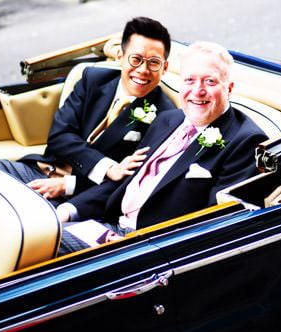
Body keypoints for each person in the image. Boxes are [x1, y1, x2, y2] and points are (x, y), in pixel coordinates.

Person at [57, 41, 269, 254]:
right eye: (189, 80)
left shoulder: (245, 141)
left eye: (210, 81)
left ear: (229, 88)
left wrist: (133, 242)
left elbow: (214, 221)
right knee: (38, 228)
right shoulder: (167, 120)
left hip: (149, 249)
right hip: (106, 228)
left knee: (41, 247)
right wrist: (68, 210)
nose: (198, 91)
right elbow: (126, 182)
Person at [0, 16, 175, 203]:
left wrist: (67, 185)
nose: (143, 69)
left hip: (81, 197)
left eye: (154, 62)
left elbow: (132, 181)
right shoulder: (93, 78)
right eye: (136, 59)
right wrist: (107, 168)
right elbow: (59, 137)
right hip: (41, 169)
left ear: (164, 67)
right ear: (120, 57)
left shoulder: (165, 116)